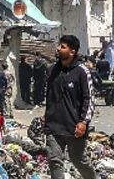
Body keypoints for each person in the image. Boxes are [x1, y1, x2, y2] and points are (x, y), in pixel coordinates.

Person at [44, 34, 98, 179]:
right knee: (55, 160)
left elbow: (90, 98)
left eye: (63, 47)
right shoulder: (52, 71)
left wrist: (83, 122)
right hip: (53, 126)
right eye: (59, 45)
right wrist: (47, 115)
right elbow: (49, 96)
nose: (58, 48)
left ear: (72, 51)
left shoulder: (82, 71)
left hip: (74, 126)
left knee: (79, 160)